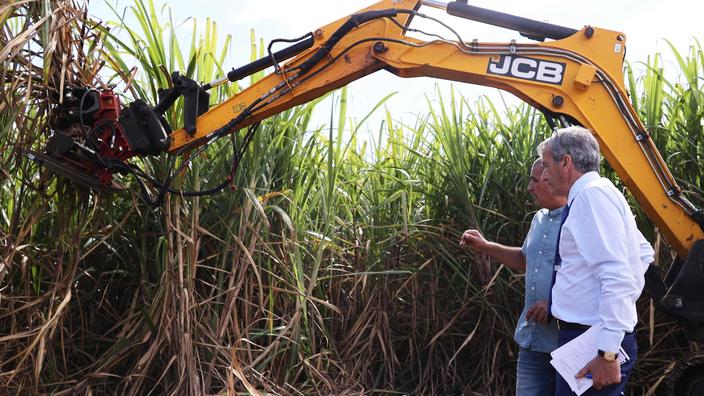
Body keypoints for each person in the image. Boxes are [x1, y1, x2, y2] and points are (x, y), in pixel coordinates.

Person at [538, 126, 654, 395]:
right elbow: (643, 253)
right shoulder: (597, 192)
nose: (544, 176)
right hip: (591, 337)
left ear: (565, 162)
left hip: (593, 341)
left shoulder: (591, 197)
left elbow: (617, 275)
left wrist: (607, 351)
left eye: (546, 166)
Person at [460, 158, 567, 396]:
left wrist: (556, 304)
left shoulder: (577, 219)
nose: (529, 187)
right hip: (532, 341)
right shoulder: (538, 218)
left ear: (551, 180)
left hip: (566, 342)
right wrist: (484, 246)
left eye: (534, 180)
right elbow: (524, 259)